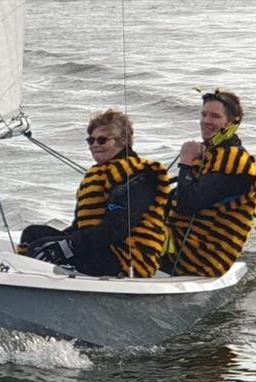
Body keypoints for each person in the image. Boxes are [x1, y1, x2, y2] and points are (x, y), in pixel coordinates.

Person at [18, 109, 171, 278]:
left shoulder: (137, 175)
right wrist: (65, 242)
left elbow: (117, 227)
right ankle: (20, 278)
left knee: (41, 249)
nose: (95, 145)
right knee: (32, 235)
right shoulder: (102, 172)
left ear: (123, 141)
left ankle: (33, 286)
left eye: (102, 140)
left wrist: (67, 247)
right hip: (101, 247)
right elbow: (82, 227)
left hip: (126, 259)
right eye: (90, 140)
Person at [161, 89, 256, 277]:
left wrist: (185, 161)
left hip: (197, 260)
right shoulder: (212, 154)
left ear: (232, 122)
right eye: (204, 114)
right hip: (179, 243)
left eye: (215, 116)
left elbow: (188, 203)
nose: (206, 121)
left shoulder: (235, 163)